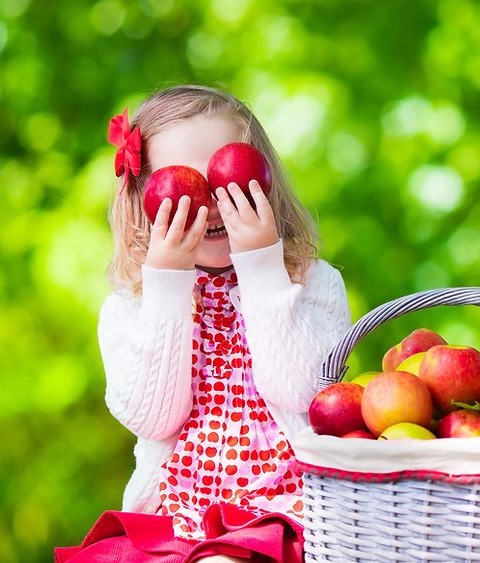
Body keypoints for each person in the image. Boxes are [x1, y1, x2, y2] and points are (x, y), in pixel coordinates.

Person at [56, 84, 351, 563]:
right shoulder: (130, 307)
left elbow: (304, 393)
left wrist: (261, 264)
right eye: (183, 185)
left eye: (229, 180)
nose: (211, 203)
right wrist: (166, 283)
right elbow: (154, 417)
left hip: (289, 506)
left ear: (267, 180)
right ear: (142, 197)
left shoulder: (312, 282)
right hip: (179, 514)